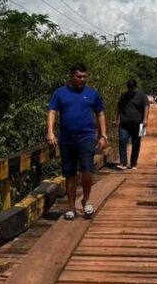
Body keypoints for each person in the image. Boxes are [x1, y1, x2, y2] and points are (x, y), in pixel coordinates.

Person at [46, 63, 108, 220]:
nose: (82, 79)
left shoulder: (91, 94)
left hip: (86, 137)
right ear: (71, 76)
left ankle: (86, 200)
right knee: (70, 173)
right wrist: (50, 132)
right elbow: (52, 112)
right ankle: (71, 207)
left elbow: (100, 114)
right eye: (79, 76)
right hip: (67, 139)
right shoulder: (60, 93)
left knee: (87, 170)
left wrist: (103, 135)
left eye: (84, 76)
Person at [116, 79, 150, 170]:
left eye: (132, 89)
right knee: (122, 141)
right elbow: (119, 107)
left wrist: (145, 119)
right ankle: (122, 162)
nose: (131, 91)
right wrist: (116, 119)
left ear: (136, 87)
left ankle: (133, 163)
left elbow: (146, 106)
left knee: (137, 143)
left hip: (140, 124)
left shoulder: (142, 95)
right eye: (129, 89)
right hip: (124, 124)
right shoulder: (124, 95)